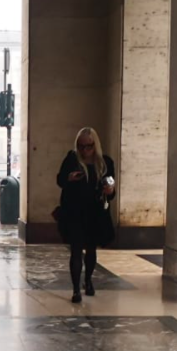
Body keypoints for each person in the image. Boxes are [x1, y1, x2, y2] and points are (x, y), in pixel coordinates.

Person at [56, 127, 116, 304]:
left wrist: (110, 190)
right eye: (81, 146)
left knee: (91, 249)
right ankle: (76, 290)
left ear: (95, 145)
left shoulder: (105, 163)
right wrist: (69, 178)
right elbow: (60, 180)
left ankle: (88, 280)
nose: (85, 150)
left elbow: (111, 190)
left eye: (89, 146)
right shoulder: (72, 159)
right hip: (75, 211)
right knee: (75, 250)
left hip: (95, 212)